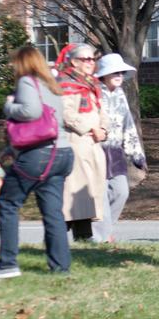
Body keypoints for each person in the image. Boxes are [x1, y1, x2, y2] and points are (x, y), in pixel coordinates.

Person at [0, 46, 74, 279]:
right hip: (62, 153)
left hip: (39, 156)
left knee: (7, 203)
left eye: (14, 63)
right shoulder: (52, 85)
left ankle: (7, 264)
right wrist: (11, 148)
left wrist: (8, 105)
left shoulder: (27, 82)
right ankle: (60, 267)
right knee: (53, 212)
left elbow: (31, 113)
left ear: (23, 63)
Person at [92, 53, 145, 244]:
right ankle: (101, 238)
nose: (119, 75)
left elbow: (128, 124)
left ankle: (105, 230)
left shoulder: (120, 94)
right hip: (96, 149)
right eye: (114, 72)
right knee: (101, 194)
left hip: (115, 151)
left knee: (121, 191)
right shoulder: (94, 93)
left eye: (121, 72)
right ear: (104, 75)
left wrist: (136, 155)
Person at [57, 43, 108, 241]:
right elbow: (66, 113)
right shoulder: (64, 83)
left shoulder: (93, 84)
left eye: (92, 59)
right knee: (73, 191)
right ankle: (60, 234)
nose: (90, 62)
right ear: (74, 62)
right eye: (85, 59)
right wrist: (89, 128)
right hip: (75, 142)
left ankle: (84, 235)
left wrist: (103, 128)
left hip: (94, 144)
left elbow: (102, 110)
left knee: (89, 190)